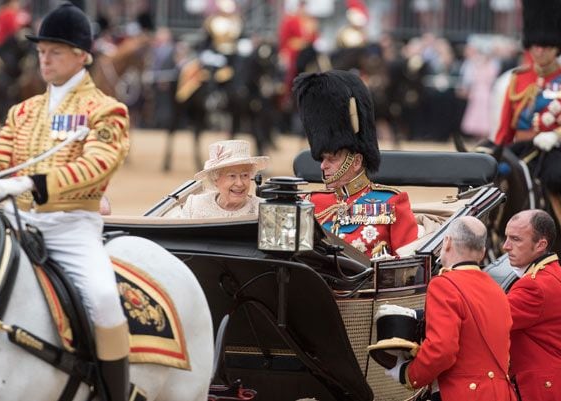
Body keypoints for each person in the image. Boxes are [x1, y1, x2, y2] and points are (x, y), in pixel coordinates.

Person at [0, 4, 140, 401]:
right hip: (15, 222)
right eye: (41, 51)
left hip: (71, 228)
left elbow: (97, 166)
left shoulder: (106, 110)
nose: (44, 59)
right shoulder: (23, 111)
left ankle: (113, 394)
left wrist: (33, 183)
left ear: (82, 55)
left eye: (55, 51)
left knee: (106, 302)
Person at [382, 216, 517, 401]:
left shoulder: (444, 284)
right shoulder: (497, 290)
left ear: (447, 242)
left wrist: (408, 373)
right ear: (483, 252)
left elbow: (441, 351)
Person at [293, 69, 418, 258]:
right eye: (322, 158)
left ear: (356, 161)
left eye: (332, 158)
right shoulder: (310, 202)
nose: (322, 166)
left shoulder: (391, 203)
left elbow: (407, 262)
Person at [493, 0, 561, 235]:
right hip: (520, 149)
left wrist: (556, 135)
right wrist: (497, 151)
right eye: (535, 45)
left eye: (545, 45)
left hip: (554, 152)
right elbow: (505, 129)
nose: (539, 51)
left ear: (557, 47)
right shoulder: (518, 79)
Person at [502, 209, 561, 400]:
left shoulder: (534, 285)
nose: (505, 246)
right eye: (506, 237)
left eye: (515, 239)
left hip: (545, 390)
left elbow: (489, 319)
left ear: (541, 245)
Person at [179, 140, 268, 219]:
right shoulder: (194, 205)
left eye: (244, 175)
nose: (239, 183)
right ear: (215, 179)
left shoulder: (264, 210)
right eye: (232, 176)